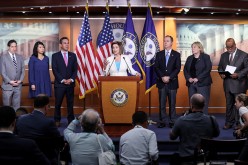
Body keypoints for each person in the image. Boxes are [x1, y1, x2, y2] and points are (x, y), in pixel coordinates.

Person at [169, 93, 220, 165]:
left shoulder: (181, 120)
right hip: (205, 158)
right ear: (204, 105)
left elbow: (172, 137)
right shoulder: (212, 119)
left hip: (186, 157)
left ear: (191, 105)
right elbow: (216, 134)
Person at [16, 94, 63, 165]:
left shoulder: (20, 119)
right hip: (44, 158)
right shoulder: (48, 122)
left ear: (33, 105)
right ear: (47, 107)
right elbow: (59, 143)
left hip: (24, 156)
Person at [218, 38, 248, 130]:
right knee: (229, 104)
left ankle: (239, 123)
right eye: (227, 47)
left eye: (231, 47)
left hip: (239, 84)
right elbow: (220, 67)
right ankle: (228, 122)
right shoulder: (223, 55)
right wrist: (222, 74)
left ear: (235, 45)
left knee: (239, 106)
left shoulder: (244, 55)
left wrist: (238, 74)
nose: (229, 49)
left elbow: (247, 68)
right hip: (227, 84)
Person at [154, 35, 181, 128]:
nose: (165, 42)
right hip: (161, 83)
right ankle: (162, 121)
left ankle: (172, 121)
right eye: (164, 41)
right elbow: (156, 67)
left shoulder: (176, 54)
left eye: (167, 41)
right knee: (162, 103)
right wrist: (162, 77)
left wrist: (169, 77)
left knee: (172, 104)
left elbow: (178, 68)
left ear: (171, 43)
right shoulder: (159, 54)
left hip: (172, 83)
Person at [52, 37, 77, 126]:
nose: (67, 44)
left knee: (70, 104)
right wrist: (63, 80)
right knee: (57, 104)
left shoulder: (73, 55)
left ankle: (71, 121)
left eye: (67, 43)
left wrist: (70, 79)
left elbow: (75, 70)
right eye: (65, 43)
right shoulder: (55, 56)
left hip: (70, 84)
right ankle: (57, 120)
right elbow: (55, 70)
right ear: (60, 45)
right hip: (59, 85)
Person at [184, 41, 212, 114]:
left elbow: (208, 69)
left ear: (199, 48)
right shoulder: (189, 58)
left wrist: (198, 78)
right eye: (192, 47)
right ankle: (194, 120)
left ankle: (204, 120)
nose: (192, 49)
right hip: (191, 84)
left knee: (203, 103)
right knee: (192, 103)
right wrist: (189, 78)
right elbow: (185, 70)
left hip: (203, 83)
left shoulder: (205, 57)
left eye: (194, 47)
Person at [0, 40, 25, 110]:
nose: (14, 48)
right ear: (8, 47)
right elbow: (2, 72)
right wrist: (10, 81)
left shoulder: (20, 57)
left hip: (18, 86)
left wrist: (20, 80)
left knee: (17, 107)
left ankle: (16, 121)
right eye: (12, 47)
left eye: (15, 46)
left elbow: (23, 71)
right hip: (7, 86)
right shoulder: (3, 57)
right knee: (7, 108)